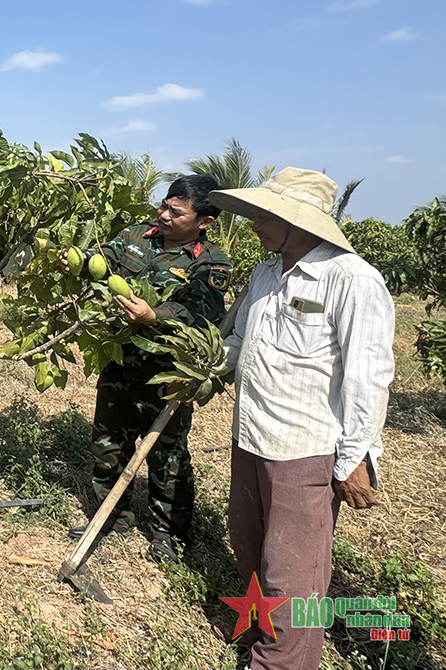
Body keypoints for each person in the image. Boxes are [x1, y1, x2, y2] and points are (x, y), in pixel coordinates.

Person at [210, 167, 395, 670]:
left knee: (292, 570)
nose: (256, 224)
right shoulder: (266, 274)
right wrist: (206, 366)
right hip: (251, 434)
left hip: (305, 448)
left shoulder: (351, 279)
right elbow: (240, 343)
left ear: (303, 222)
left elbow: (368, 376)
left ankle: (282, 662)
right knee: (248, 543)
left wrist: (356, 458)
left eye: (267, 215)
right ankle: (259, 637)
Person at [65, 174, 233, 562]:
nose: (163, 215)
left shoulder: (212, 263)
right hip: (122, 359)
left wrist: (153, 314)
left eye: (175, 212)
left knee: (167, 453)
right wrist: (74, 259)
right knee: (108, 441)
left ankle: (167, 533)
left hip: (170, 370)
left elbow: (201, 309)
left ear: (204, 221)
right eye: (164, 206)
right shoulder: (136, 237)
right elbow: (101, 260)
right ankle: (113, 518)